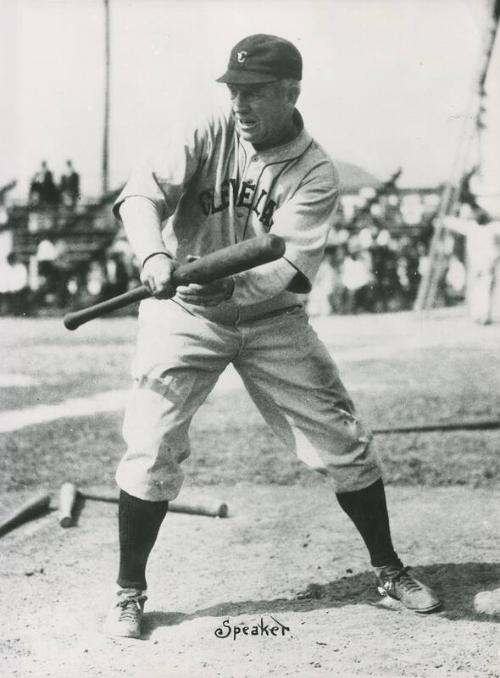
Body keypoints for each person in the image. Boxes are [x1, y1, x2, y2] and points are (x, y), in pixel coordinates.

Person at [104, 34, 441, 639]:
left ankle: (389, 570)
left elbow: (289, 270)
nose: (240, 103)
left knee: (342, 439)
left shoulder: (314, 169)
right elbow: (139, 194)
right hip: (184, 312)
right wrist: (154, 253)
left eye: (255, 92)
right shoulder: (207, 129)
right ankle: (129, 592)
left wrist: (229, 290)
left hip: (272, 316)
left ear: (291, 92)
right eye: (234, 89)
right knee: (151, 445)